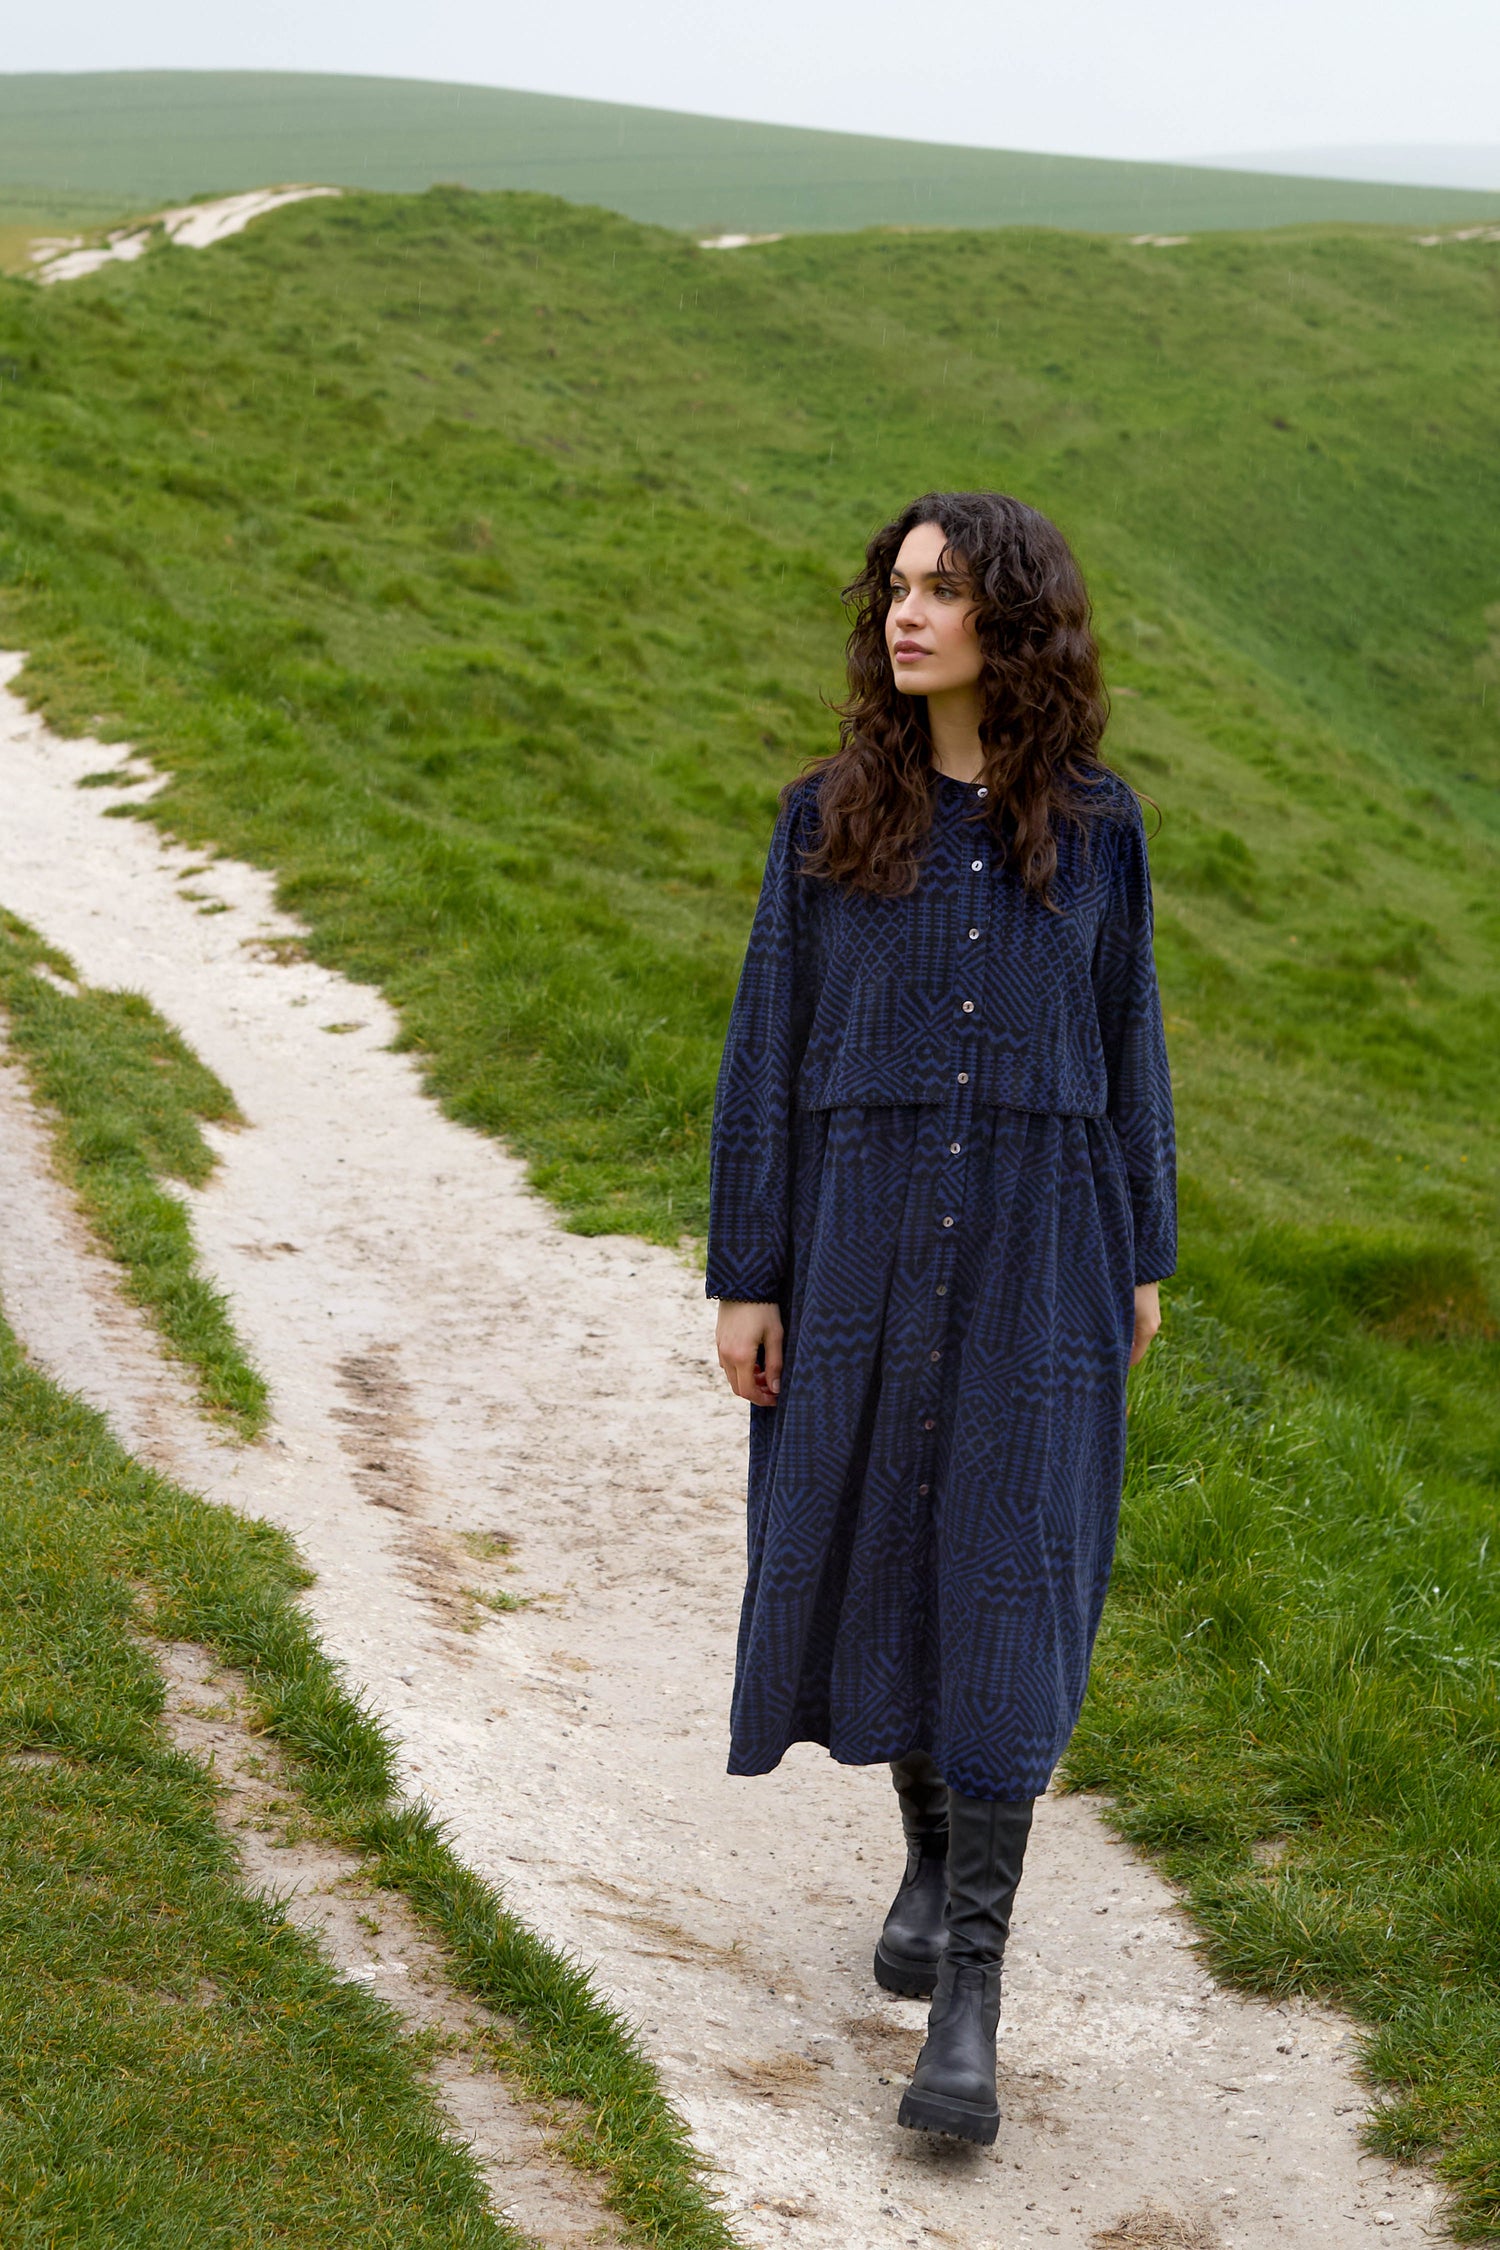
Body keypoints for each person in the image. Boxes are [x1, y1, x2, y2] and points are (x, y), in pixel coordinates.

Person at [706, 490, 1176, 2145]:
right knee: (888, 1539)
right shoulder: (826, 819)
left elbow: (1131, 1053)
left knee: (1007, 1564)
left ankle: (969, 1992)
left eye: (945, 592)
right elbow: (769, 1047)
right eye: (896, 588)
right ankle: (923, 1842)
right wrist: (746, 1271)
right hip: (861, 1243)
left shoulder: (1101, 830)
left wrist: (1145, 1256)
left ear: (1013, 626)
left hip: (1047, 1248)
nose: (907, 616)